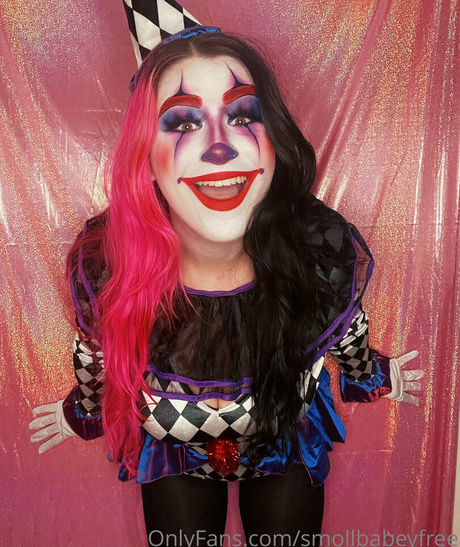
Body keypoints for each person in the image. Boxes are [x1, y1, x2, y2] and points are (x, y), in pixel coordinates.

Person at [29, 27, 423, 544]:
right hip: (178, 456)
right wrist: (82, 411)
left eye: (241, 116)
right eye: (183, 122)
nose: (219, 148)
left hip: (281, 443)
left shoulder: (315, 255)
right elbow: (99, 356)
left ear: (274, 140)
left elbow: (345, 330)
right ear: (144, 157)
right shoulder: (111, 268)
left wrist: (371, 374)